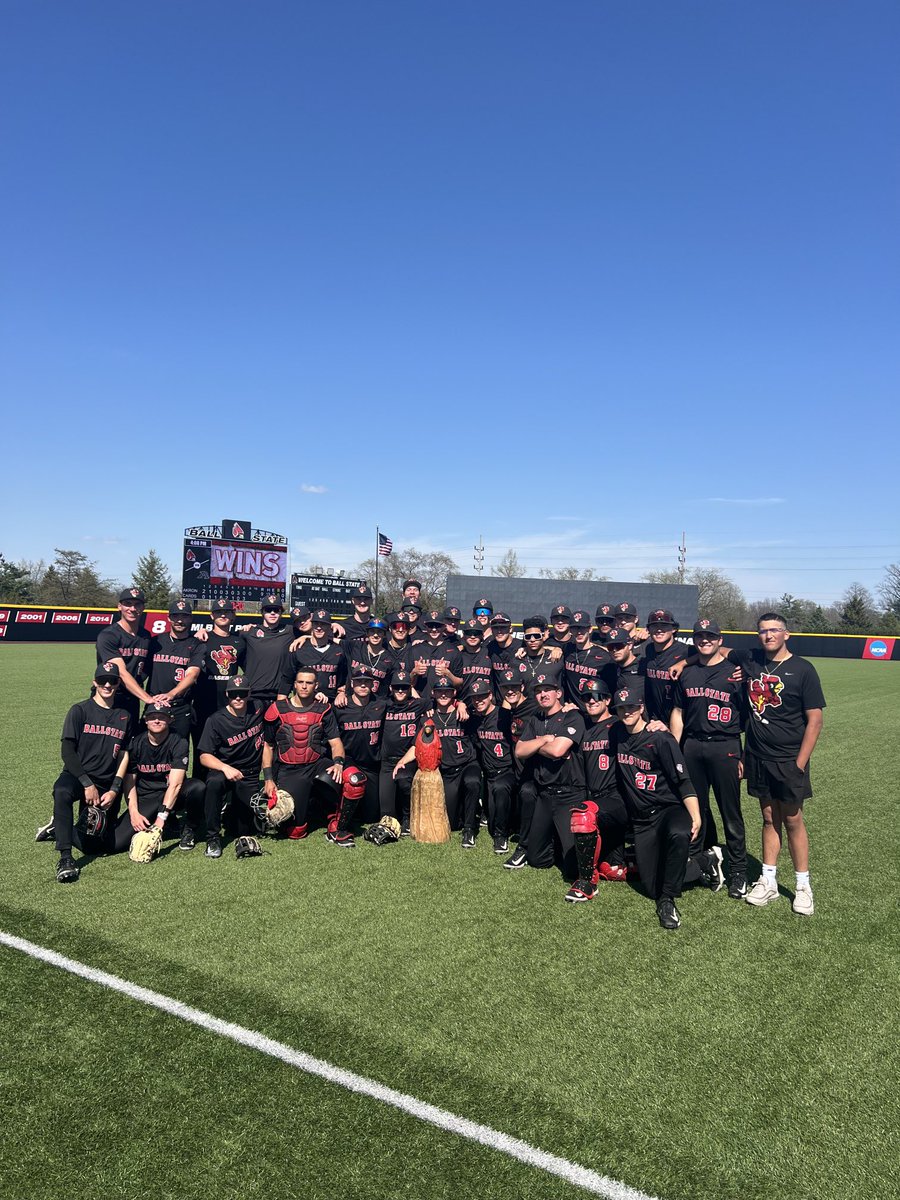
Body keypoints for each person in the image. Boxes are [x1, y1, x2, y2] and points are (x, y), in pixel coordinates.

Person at [724, 612, 825, 915]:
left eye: (774, 631)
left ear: (786, 634)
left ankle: (803, 886)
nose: (768, 636)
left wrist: (800, 763)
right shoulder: (752, 659)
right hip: (757, 755)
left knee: (792, 819)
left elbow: (815, 720)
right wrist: (681, 663)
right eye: (763, 631)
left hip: (789, 759)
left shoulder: (803, 669)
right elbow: (719, 649)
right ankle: (768, 880)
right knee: (768, 817)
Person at [610, 681, 722, 930]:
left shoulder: (660, 738)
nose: (626, 712)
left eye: (631, 707)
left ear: (641, 708)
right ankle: (705, 862)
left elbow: (682, 781)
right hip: (642, 819)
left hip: (669, 810)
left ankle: (668, 901)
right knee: (651, 886)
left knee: (678, 834)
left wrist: (696, 815)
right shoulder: (616, 733)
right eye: (621, 708)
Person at [670, 619, 747, 899]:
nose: (705, 640)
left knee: (731, 813)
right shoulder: (687, 673)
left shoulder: (736, 672)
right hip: (692, 745)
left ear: (719, 639)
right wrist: (676, 749)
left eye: (710, 636)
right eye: (700, 636)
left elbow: (749, 719)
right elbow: (678, 712)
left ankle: (739, 871)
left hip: (725, 746)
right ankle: (696, 863)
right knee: (695, 811)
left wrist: (744, 754)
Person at [50, 662, 133, 883]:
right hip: (78, 777)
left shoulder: (124, 715)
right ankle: (65, 857)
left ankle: (59, 826)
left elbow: (124, 754)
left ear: (118, 684)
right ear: (94, 682)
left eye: (112, 681)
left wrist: (115, 789)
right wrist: (87, 784)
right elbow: (67, 751)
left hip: (106, 783)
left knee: (97, 845)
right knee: (62, 791)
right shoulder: (80, 710)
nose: (107, 684)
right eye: (103, 680)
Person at [514, 677, 586, 888]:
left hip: (569, 793)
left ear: (559, 693)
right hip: (545, 794)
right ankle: (556, 840)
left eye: (548, 690)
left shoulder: (572, 716)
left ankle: (564, 843)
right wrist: (545, 739)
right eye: (538, 691)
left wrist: (535, 746)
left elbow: (558, 751)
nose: (543, 694)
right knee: (536, 860)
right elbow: (519, 751)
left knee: (572, 867)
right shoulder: (536, 719)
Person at [262, 666, 346, 842]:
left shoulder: (323, 709)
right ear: (294, 684)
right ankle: (310, 804)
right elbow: (268, 746)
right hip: (290, 769)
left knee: (353, 778)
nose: (304, 686)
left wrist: (338, 763)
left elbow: (336, 742)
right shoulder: (277, 709)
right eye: (300, 682)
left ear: (316, 685)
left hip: (316, 763)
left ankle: (336, 817)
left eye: (309, 683)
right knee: (296, 831)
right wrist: (268, 779)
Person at [393, 679, 480, 846]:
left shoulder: (464, 714)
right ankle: (462, 814)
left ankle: (469, 829)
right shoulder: (428, 718)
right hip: (445, 770)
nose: (443, 694)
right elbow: (418, 746)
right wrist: (401, 761)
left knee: (473, 781)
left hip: (466, 764)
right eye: (439, 691)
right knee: (453, 823)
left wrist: (461, 704)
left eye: (448, 691)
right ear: (433, 693)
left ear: (454, 693)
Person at [112, 703, 205, 855]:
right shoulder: (136, 744)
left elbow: (175, 785)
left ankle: (189, 828)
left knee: (197, 787)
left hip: (171, 795)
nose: (156, 720)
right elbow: (129, 783)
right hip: (147, 798)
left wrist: (160, 819)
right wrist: (134, 813)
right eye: (152, 717)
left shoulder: (179, 742)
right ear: (145, 720)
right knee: (117, 843)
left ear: (170, 720)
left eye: (162, 717)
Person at [194, 675, 266, 858]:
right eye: (234, 694)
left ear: (249, 693)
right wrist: (225, 768)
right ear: (227, 694)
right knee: (214, 783)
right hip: (224, 771)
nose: (238, 698)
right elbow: (204, 756)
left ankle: (229, 812)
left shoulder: (258, 707)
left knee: (244, 829)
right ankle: (212, 837)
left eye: (242, 693)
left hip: (248, 776)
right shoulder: (216, 720)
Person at [580, 680, 630, 885]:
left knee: (584, 817)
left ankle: (586, 881)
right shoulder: (582, 724)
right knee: (611, 869)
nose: (592, 700)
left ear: (608, 700)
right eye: (586, 697)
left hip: (614, 797)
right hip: (591, 794)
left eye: (597, 696)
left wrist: (656, 723)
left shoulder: (619, 725)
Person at [193, 599, 246, 775]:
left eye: (227, 612)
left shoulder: (239, 642)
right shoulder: (202, 639)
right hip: (204, 703)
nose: (223, 615)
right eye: (218, 612)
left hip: (228, 705)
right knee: (202, 749)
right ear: (211, 615)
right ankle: (199, 789)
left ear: (233, 616)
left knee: (227, 749)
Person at [145, 599, 205, 739]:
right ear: (169, 618)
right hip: (154, 705)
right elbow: (143, 671)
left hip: (180, 706)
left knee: (178, 750)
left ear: (191, 618)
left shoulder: (197, 645)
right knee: (151, 750)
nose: (180, 620)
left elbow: (192, 675)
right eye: (176, 616)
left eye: (184, 616)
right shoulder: (155, 642)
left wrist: (171, 694)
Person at [468, 678, 516, 853]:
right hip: (488, 774)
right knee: (491, 819)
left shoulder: (504, 715)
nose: (478, 701)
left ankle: (501, 836)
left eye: (482, 696)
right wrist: (459, 704)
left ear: (490, 696)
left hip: (506, 770)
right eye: (474, 698)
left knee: (501, 790)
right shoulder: (475, 718)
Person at [333, 668, 386, 822]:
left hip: (371, 763)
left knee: (371, 817)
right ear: (352, 684)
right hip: (348, 761)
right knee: (351, 782)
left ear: (373, 684)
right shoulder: (340, 706)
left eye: (366, 682)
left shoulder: (382, 705)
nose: (363, 685)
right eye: (359, 682)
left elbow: (405, 702)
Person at [379, 671, 428, 832]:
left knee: (403, 779)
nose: (401, 691)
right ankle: (399, 813)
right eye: (397, 687)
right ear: (391, 688)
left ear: (410, 689)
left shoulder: (419, 704)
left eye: (404, 687)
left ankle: (408, 816)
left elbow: (445, 701)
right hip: (387, 762)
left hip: (408, 761)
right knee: (386, 816)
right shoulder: (383, 705)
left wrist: (460, 704)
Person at [95, 586, 154, 719]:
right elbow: (120, 672)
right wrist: (147, 698)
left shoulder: (145, 636)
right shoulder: (109, 635)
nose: (132, 609)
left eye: (137, 604)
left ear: (143, 608)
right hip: (109, 695)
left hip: (132, 697)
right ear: (119, 606)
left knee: (129, 737)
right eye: (128, 604)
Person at [279, 608, 347, 703]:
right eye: (316, 624)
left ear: (329, 626)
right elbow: (287, 679)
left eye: (323, 624)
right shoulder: (298, 648)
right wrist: (280, 705)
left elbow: (344, 678)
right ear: (312, 624)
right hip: (305, 703)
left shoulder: (339, 651)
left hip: (332, 702)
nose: (319, 627)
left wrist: (342, 692)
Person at [239, 593, 293, 710]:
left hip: (279, 695)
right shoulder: (249, 632)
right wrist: (203, 632)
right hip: (253, 694)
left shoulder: (290, 631)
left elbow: (315, 632)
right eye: (268, 610)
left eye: (276, 610)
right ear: (262, 612)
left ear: (281, 612)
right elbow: (224, 639)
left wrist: (305, 637)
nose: (272, 613)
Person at [640, 609, 690, 723]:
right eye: (654, 626)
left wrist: (683, 662)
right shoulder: (648, 649)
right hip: (656, 719)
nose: (659, 630)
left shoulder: (685, 651)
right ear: (648, 629)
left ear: (674, 629)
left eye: (664, 625)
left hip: (680, 719)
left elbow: (716, 653)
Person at [563, 611, 611, 716]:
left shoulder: (604, 656)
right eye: (575, 628)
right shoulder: (567, 649)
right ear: (570, 630)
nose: (579, 632)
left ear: (590, 629)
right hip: (573, 711)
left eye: (582, 628)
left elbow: (611, 688)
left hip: (594, 710)